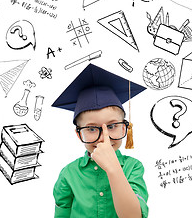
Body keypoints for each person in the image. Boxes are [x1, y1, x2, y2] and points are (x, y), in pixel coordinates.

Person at [52, 64, 149, 218]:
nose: (104, 137)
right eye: (91, 129)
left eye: (111, 126)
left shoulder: (133, 168)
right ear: (79, 134)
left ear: (125, 127)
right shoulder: (68, 173)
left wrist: (113, 169)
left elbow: (134, 216)